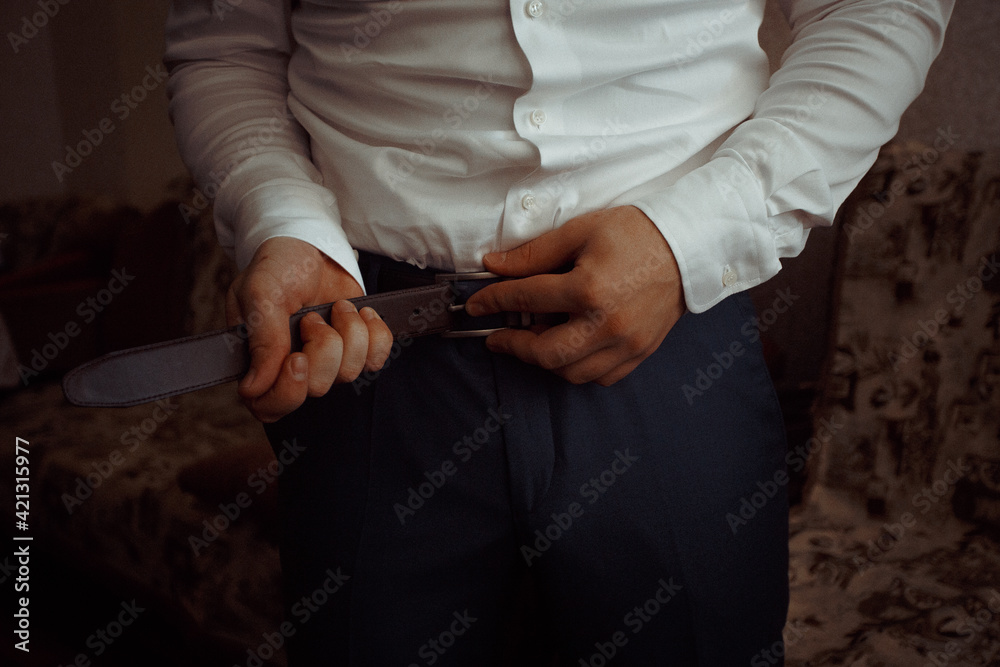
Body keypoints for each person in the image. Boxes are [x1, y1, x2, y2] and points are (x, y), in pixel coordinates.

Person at [164, 0, 952, 664]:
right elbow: (225, 45)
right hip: (365, 354)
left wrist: (695, 238)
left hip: (675, 347)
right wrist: (284, 218)